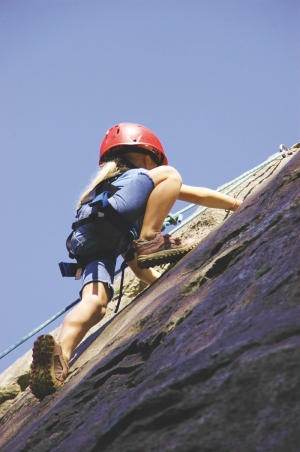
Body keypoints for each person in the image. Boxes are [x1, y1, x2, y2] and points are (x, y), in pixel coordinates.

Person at [30, 123, 242, 400]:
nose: (154, 167)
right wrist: (238, 205)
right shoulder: (138, 179)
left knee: (95, 304)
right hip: (113, 224)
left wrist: (158, 282)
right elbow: (196, 194)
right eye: (153, 161)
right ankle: (153, 237)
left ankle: (59, 359)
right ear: (146, 155)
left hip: (87, 239)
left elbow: (136, 262)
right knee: (171, 175)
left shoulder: (103, 190)